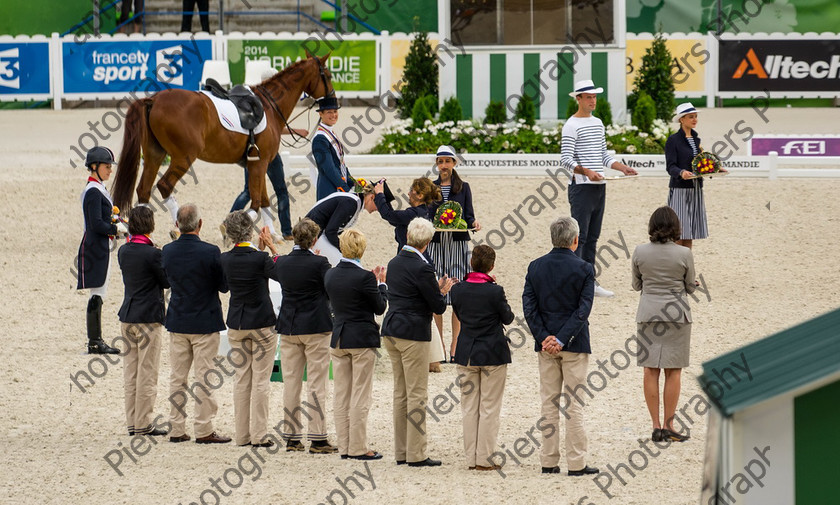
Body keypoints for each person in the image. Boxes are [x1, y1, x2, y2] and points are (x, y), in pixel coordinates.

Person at [522, 216, 599, 476]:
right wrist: (562, 338)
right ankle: (576, 463)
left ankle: (548, 460)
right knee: (574, 404)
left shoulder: (535, 267)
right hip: (574, 343)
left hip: (546, 345)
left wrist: (545, 337)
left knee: (549, 403)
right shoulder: (585, 268)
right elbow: (583, 309)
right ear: (575, 241)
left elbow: (529, 308)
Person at [381, 218, 457, 467]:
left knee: (400, 393)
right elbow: (436, 306)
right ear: (427, 242)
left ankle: (401, 451)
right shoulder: (422, 267)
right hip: (412, 332)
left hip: (392, 328)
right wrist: (442, 291)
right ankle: (416, 454)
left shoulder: (394, 262)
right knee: (417, 395)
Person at [261, 218, 338, 454]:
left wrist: (272, 249)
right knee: (317, 384)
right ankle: (317, 437)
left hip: (290, 326)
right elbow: (331, 287)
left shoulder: (283, 263)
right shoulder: (320, 264)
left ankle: (292, 436)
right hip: (315, 326)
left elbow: (272, 265)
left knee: (291, 383)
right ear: (314, 240)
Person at [161, 204, 232, 444]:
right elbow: (224, 286)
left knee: (177, 377)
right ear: (199, 224)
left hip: (178, 320)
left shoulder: (168, 251)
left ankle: (176, 428)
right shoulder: (211, 251)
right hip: (204, 321)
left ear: (177, 225)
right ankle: (203, 428)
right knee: (204, 377)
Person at [561, 80, 638, 298]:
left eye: (594, 96)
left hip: (599, 185)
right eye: (588, 97)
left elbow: (604, 155)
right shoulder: (571, 125)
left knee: (593, 236)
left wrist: (622, 167)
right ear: (578, 99)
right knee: (580, 237)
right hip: (582, 187)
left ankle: (589, 282)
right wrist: (587, 172)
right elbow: (565, 160)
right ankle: (576, 283)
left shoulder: (598, 123)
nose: (593, 100)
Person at [631, 206, 696, 443]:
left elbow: (637, 285)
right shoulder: (684, 253)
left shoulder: (639, 251)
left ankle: (655, 425)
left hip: (648, 313)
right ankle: (670, 424)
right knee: (673, 370)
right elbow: (689, 287)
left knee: (650, 369)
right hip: (677, 314)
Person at [324, 229, 388, 461]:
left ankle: (344, 446)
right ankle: (358, 447)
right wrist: (382, 285)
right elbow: (379, 307)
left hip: (339, 336)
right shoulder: (365, 278)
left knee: (342, 394)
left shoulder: (330, 274)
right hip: (361, 338)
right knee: (361, 395)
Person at [219, 210, 281, 447]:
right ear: (249, 230)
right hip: (262, 323)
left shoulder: (225, 258)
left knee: (241, 379)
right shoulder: (260, 259)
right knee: (261, 381)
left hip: (237, 321)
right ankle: (259, 435)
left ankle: (243, 435)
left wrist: (260, 251)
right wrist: (271, 249)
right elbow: (278, 273)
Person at [450, 245, 514, 471]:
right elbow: (507, 318)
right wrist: (493, 286)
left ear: (471, 264)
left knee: (469, 407)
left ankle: (471, 458)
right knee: (489, 407)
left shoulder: (457, 290)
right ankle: (484, 458)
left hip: (466, 351)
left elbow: (458, 313)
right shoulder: (495, 291)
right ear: (492, 267)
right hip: (492, 353)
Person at [117, 205, 168, 436]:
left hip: (128, 315)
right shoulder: (153, 254)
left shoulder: (124, 251)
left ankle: (131, 421)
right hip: (148, 317)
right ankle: (143, 423)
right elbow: (166, 281)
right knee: (147, 372)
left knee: (131, 373)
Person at [427, 145, 480, 364]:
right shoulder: (431, 187)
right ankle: (438, 347)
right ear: (437, 164)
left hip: (457, 246)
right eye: (440, 162)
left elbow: (469, 216)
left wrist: (474, 223)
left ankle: (455, 345)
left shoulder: (464, 188)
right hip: (437, 245)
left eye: (447, 161)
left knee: (456, 294)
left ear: (454, 163)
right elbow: (427, 215)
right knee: (437, 292)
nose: (444, 166)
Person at [77, 146, 126, 355]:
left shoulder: (99, 188)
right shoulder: (93, 192)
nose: (110, 170)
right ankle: (94, 341)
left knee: (100, 292)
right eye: (107, 167)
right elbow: (96, 224)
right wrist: (116, 229)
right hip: (96, 245)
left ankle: (95, 340)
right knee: (97, 292)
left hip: (101, 244)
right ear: (94, 167)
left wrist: (117, 223)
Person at [666, 102, 725, 250]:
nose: (695, 120)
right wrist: (681, 173)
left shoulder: (696, 140)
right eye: (691, 117)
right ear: (681, 119)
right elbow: (670, 166)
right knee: (678, 232)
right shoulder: (673, 140)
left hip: (696, 189)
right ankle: (675, 266)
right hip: (680, 189)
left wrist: (715, 168)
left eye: (696, 117)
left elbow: (699, 165)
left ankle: (686, 267)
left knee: (689, 232)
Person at [230, 128, 308, 241]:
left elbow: (272, 127)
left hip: (254, 153)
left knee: (249, 191)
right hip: (264, 153)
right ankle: (286, 231)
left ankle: (229, 222)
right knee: (280, 191)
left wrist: (294, 131)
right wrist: (295, 131)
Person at [305, 182, 378, 266]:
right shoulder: (351, 203)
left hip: (317, 231)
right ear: (371, 197)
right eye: (379, 205)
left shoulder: (354, 201)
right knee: (344, 263)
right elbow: (331, 231)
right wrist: (344, 249)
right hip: (313, 235)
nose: (378, 210)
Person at [374, 177, 441, 253]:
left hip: (409, 257)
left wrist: (379, 194)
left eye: (412, 190)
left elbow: (388, 215)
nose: (409, 193)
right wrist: (384, 195)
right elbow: (393, 219)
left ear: (420, 196)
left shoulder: (413, 214)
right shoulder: (422, 211)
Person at [311, 96, 354, 200]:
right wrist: (347, 190)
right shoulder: (320, 139)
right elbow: (329, 169)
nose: (334, 115)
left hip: (338, 188)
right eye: (329, 112)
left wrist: (354, 184)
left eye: (335, 111)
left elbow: (341, 164)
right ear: (320, 114)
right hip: (329, 191)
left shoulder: (331, 133)